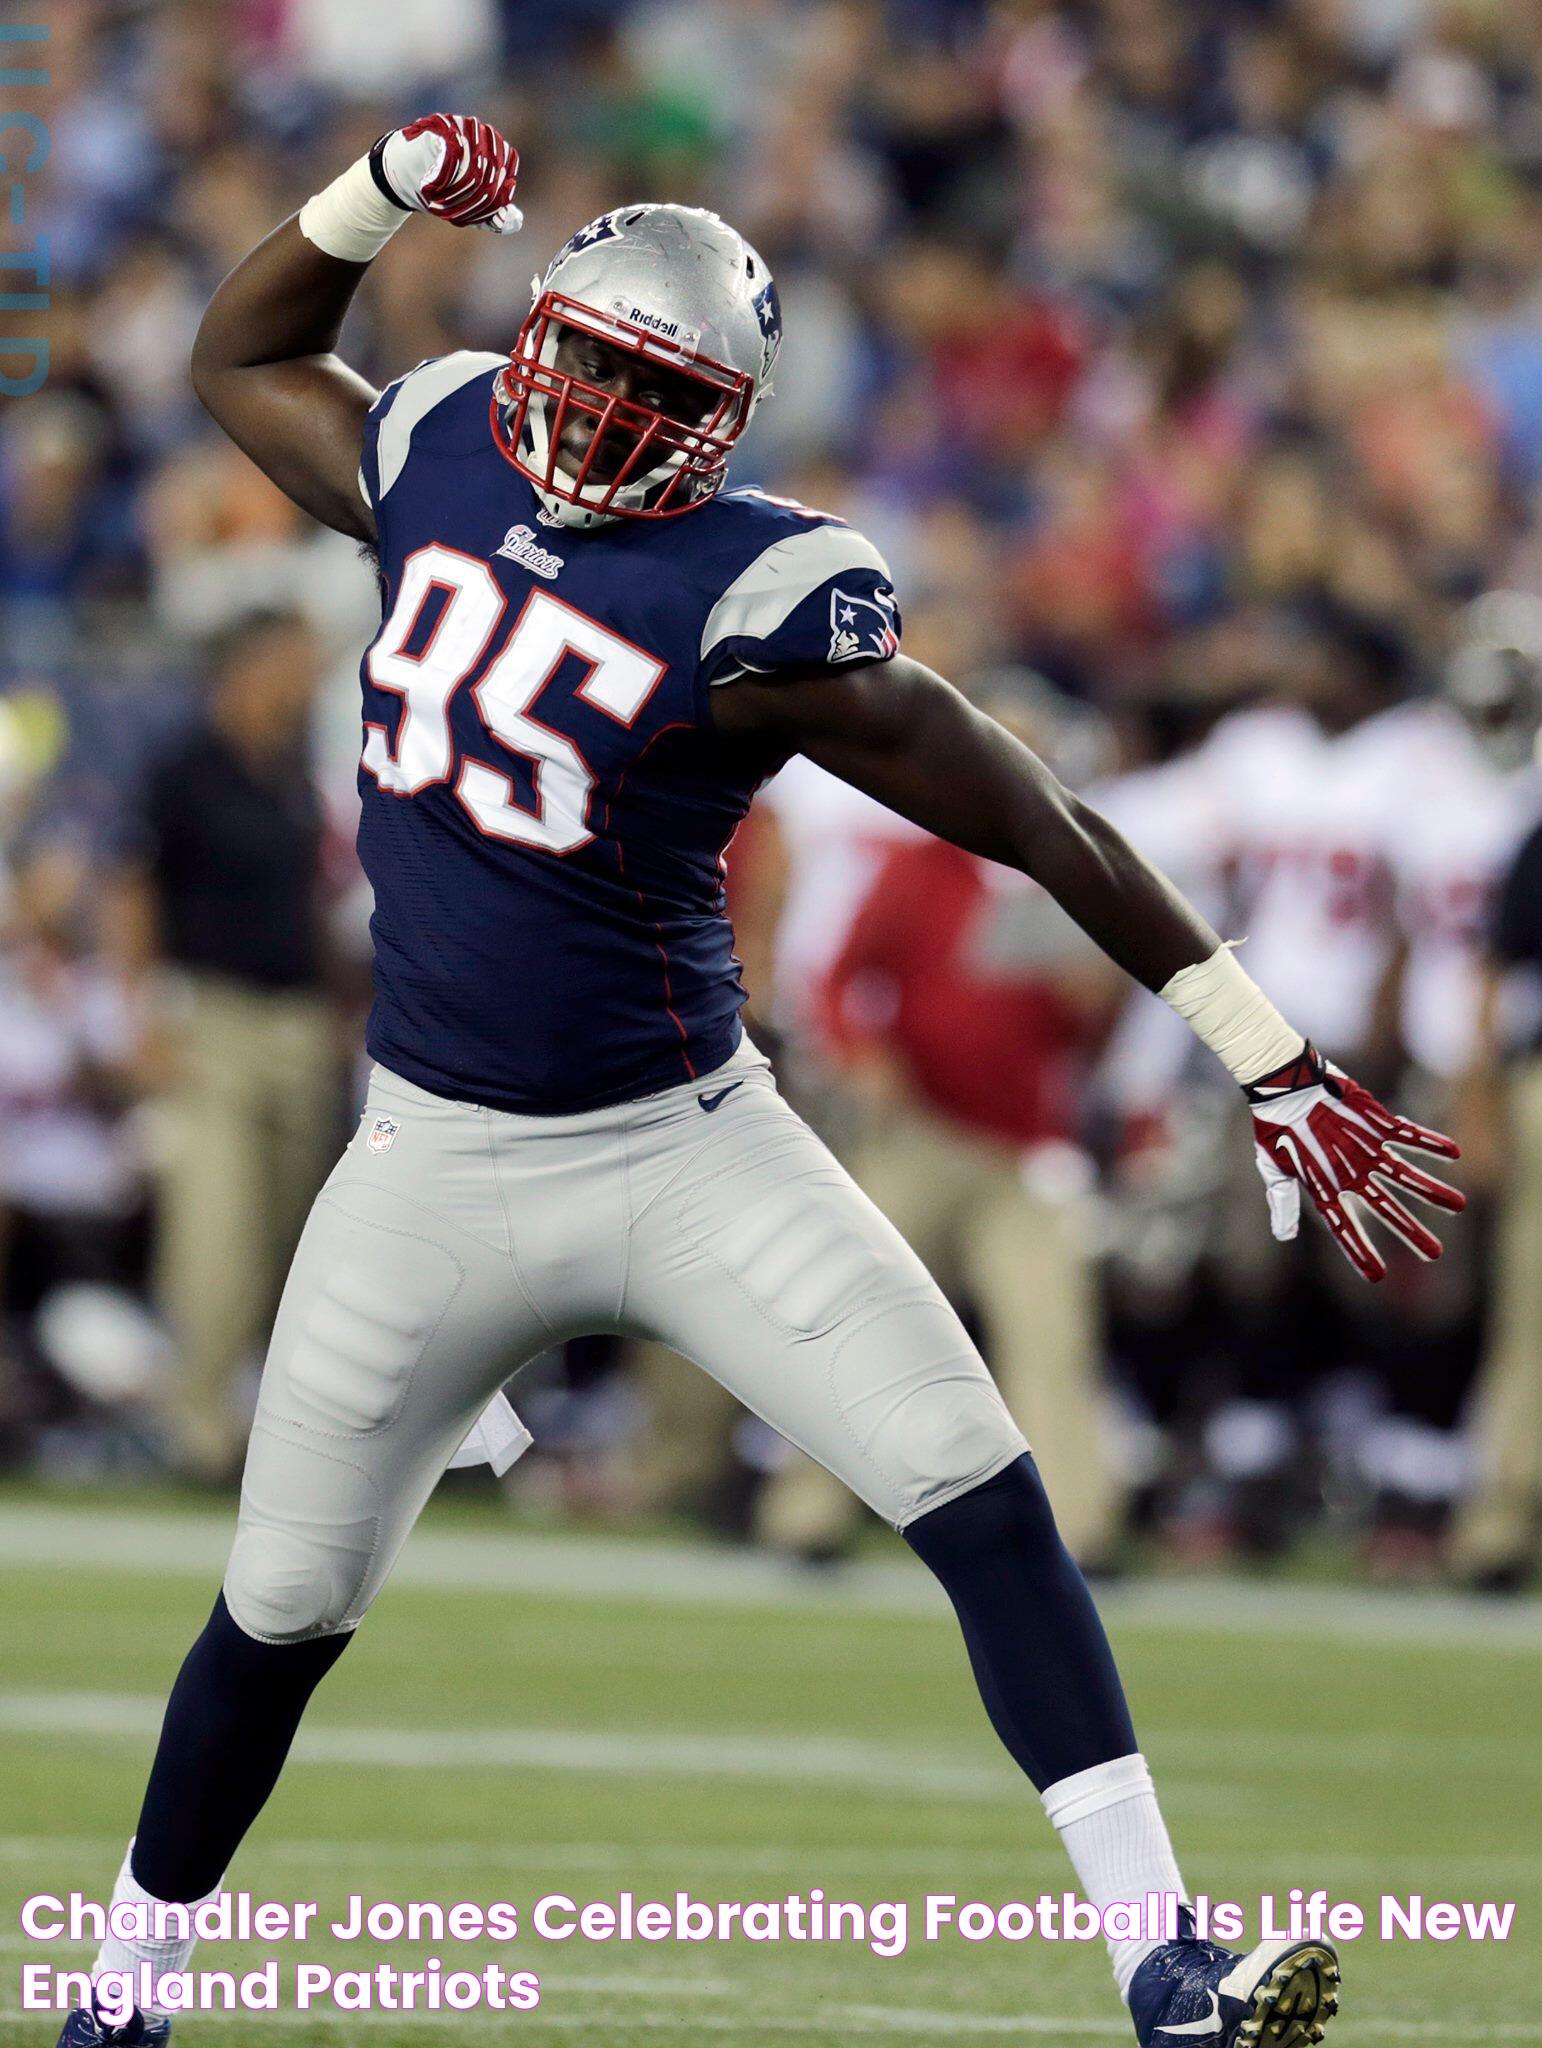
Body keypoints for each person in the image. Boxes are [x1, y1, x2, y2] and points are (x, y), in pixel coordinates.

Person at [56, 114, 1467, 2048]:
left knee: (978, 1488)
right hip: (424, 1163)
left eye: (661, 393)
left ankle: (1166, 1960)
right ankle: (125, 1989)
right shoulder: (443, 441)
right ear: (537, 335)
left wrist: (1261, 1044)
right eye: (597, 367)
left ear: (724, 422)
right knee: (282, 1608)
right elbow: (239, 359)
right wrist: (373, 190)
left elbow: (1034, 812)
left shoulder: (759, 603)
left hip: (684, 1145)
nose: (610, 417)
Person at [106, 609, 340, 1483]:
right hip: (211, 1019)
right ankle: (194, 1428)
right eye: (294, 664)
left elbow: (312, 905)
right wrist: (143, 1014)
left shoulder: (292, 772)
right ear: (246, 667)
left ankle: (242, 1420)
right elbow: (133, 888)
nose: (308, 682)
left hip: (298, 1025)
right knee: (218, 1230)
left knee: (284, 1231)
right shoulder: (185, 767)